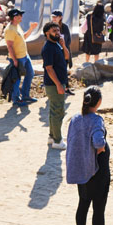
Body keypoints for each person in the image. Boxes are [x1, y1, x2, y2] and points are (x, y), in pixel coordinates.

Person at [66, 87, 113, 225]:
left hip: (81, 170)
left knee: (83, 204)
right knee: (98, 208)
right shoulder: (96, 120)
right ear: (98, 102)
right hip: (97, 171)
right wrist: (101, 146)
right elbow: (98, 142)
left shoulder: (75, 119)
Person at [42, 21, 70, 150]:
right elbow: (49, 68)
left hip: (58, 83)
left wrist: (63, 45)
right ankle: (58, 141)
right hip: (54, 84)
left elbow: (67, 57)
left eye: (58, 30)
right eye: (54, 31)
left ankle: (52, 137)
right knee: (58, 111)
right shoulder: (48, 47)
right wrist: (58, 84)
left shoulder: (56, 45)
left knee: (54, 110)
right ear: (47, 33)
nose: (57, 33)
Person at [4, 8, 38, 106]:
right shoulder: (10, 30)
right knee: (16, 78)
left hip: (25, 56)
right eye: (20, 15)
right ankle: (16, 99)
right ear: (15, 17)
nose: (21, 17)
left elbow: (23, 37)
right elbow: (9, 46)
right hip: (18, 58)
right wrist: (14, 60)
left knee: (30, 73)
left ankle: (25, 95)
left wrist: (31, 28)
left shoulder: (17, 26)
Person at [51, 10, 73, 76]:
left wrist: (63, 46)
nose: (54, 18)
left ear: (60, 17)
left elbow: (68, 40)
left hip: (63, 52)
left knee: (63, 71)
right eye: (53, 17)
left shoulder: (65, 27)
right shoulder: (49, 27)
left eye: (55, 17)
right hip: (53, 52)